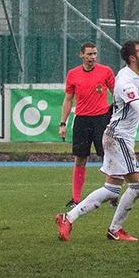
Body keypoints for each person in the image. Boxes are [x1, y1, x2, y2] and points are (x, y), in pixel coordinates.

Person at [56, 40, 139, 242]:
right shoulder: (125, 81)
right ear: (132, 58)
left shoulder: (138, 75)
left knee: (111, 189)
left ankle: (68, 218)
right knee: (138, 185)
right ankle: (115, 229)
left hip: (118, 136)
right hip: (118, 138)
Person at [58, 41, 116, 207]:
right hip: (81, 121)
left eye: (95, 53)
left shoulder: (106, 71)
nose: (92, 57)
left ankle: (113, 197)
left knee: (107, 159)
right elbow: (68, 99)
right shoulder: (73, 74)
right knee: (80, 159)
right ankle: (75, 199)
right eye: (89, 54)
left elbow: (116, 94)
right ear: (81, 55)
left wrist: (116, 116)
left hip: (101, 120)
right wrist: (63, 123)